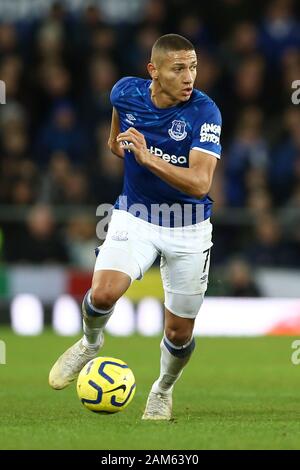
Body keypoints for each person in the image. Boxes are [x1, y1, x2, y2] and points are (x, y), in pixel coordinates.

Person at [49, 33, 222, 420]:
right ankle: (90, 342)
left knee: (179, 334)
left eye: (192, 67)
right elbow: (116, 141)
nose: (189, 76)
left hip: (188, 227)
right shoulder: (125, 92)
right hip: (135, 215)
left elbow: (200, 183)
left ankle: (162, 389)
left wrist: (146, 158)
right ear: (153, 71)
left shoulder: (204, 112)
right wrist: (123, 145)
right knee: (103, 293)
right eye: (178, 68)